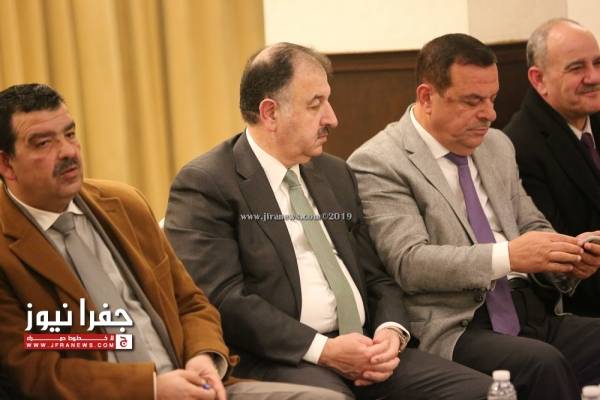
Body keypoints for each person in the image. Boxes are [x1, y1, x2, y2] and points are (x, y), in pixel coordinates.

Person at [164, 42, 492, 400]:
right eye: (315, 104)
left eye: (328, 101)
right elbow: (224, 300)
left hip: (366, 348)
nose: (332, 118)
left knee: (485, 392)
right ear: (270, 113)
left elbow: (376, 275)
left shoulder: (336, 174)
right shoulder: (208, 183)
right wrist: (324, 350)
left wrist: (390, 332)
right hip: (283, 358)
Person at [0, 83, 346, 400]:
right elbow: (35, 370)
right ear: (6, 164)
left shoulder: (124, 205)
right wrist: (152, 389)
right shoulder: (7, 251)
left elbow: (191, 302)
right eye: (43, 143)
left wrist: (203, 357)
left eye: (70, 134)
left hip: (194, 385)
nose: (67, 152)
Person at [347, 33, 600, 400]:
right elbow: (409, 262)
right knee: (543, 364)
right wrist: (508, 256)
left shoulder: (496, 145)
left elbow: (531, 224)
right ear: (427, 97)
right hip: (459, 325)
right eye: (472, 101)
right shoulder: (380, 161)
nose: (490, 114)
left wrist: (569, 256)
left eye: (492, 98)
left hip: (529, 309)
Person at [504, 18, 600, 316]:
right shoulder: (519, 146)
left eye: (598, 63)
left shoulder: (593, 111)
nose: (594, 76)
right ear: (539, 80)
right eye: (577, 68)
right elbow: (565, 259)